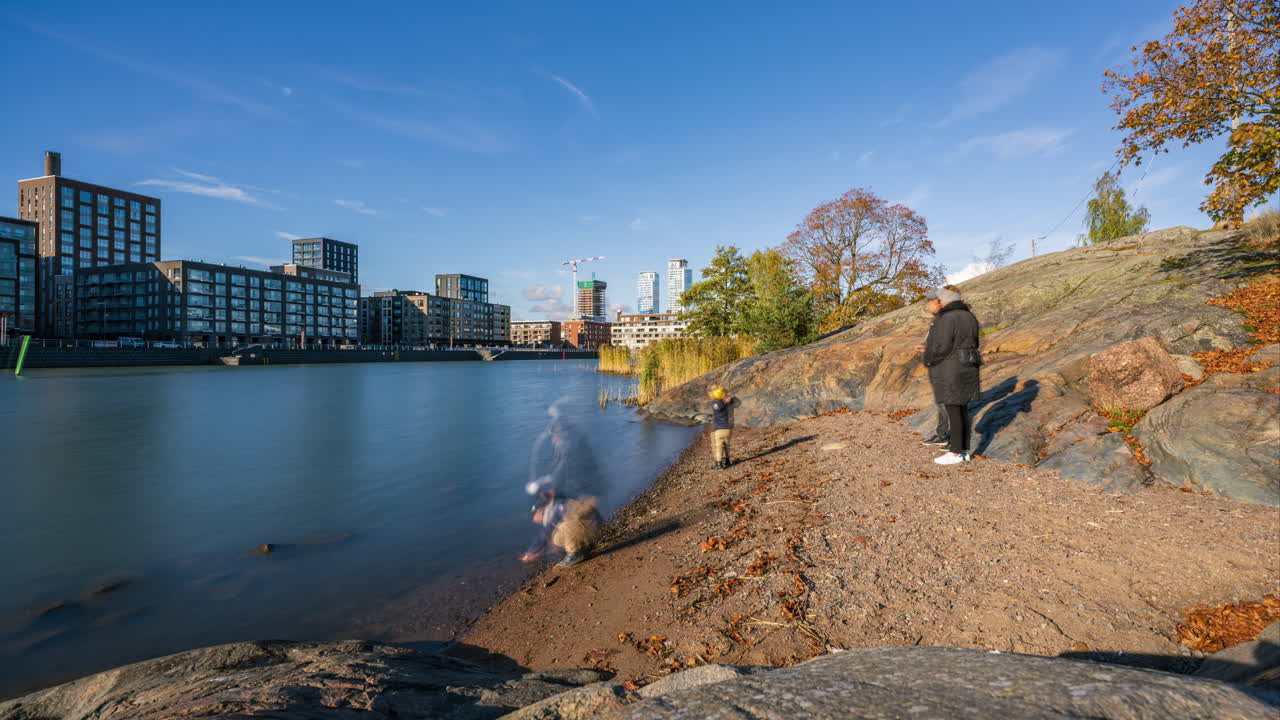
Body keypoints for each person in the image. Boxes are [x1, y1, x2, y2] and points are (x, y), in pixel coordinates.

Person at [521, 402, 604, 567]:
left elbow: (591, 491)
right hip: (585, 510)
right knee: (555, 531)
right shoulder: (569, 455)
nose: (552, 440)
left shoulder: (574, 459)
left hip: (587, 513)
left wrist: (531, 552)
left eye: (556, 436)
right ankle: (583, 540)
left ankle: (578, 552)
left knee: (558, 528)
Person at [922, 285, 981, 465]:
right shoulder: (969, 315)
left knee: (954, 410)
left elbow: (941, 346)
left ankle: (955, 452)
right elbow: (975, 342)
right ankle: (963, 451)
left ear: (946, 299)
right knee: (962, 409)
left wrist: (928, 359)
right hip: (968, 365)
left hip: (950, 368)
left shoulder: (947, 317)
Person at [915, 289, 949, 447]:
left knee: (947, 402)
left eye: (929, 302)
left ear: (939, 302)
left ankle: (949, 438)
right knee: (941, 401)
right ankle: (943, 434)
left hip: (946, 366)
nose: (926, 306)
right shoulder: (937, 319)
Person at [709, 386, 736, 470]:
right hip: (727, 428)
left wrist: (722, 399)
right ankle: (727, 460)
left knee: (718, 446)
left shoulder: (716, 403)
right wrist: (728, 399)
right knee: (726, 445)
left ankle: (719, 463)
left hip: (719, 428)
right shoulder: (727, 402)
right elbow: (733, 400)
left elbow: (717, 406)